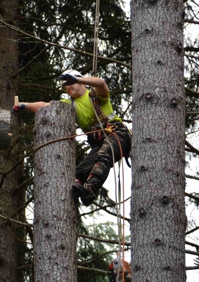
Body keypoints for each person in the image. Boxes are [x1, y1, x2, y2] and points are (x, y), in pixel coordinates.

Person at [13, 69, 131, 206]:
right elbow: (46, 106)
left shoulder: (94, 95)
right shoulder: (70, 104)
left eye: (70, 83)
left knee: (103, 156)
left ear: (81, 82)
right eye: (65, 86)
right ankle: (83, 192)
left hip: (118, 134)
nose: (68, 87)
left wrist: (78, 79)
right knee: (82, 170)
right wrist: (24, 105)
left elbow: (101, 83)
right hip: (99, 142)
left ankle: (90, 190)